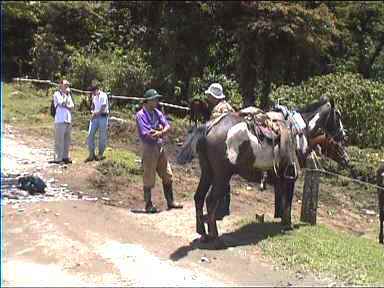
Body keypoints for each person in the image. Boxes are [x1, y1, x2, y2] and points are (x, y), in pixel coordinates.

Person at [136, 88, 183, 213]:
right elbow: (147, 134)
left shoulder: (157, 112)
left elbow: (167, 126)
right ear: (148, 101)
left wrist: (160, 131)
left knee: (167, 175)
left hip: (159, 146)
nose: (157, 101)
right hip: (149, 148)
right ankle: (148, 204)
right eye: (155, 99)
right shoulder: (140, 115)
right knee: (149, 177)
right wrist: (160, 131)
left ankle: (171, 201)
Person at [205, 83, 235, 220]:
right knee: (226, 178)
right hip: (232, 145)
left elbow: (215, 127)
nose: (208, 97)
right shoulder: (229, 107)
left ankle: (218, 210)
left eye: (209, 95)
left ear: (214, 96)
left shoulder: (218, 109)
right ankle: (225, 208)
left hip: (220, 146)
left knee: (218, 178)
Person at [51, 79, 74, 164]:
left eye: (68, 85)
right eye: (65, 85)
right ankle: (58, 158)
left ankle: (65, 157)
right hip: (60, 120)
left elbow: (72, 106)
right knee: (59, 140)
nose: (67, 87)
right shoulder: (57, 94)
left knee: (67, 140)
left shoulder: (68, 95)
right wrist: (66, 98)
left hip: (68, 119)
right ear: (60, 85)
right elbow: (61, 103)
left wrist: (67, 103)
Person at [85, 83, 109, 162]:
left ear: (96, 90)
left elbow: (103, 107)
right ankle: (91, 154)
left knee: (102, 136)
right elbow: (93, 105)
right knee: (90, 134)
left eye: (93, 91)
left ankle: (100, 154)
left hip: (103, 117)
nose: (92, 93)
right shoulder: (94, 96)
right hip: (95, 116)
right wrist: (92, 111)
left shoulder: (103, 95)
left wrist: (95, 114)